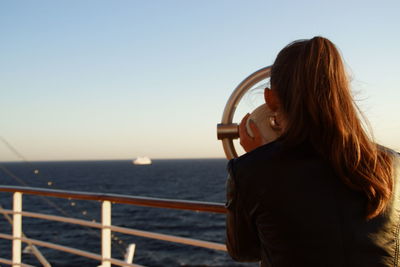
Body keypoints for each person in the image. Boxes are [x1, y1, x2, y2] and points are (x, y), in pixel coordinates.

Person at [225, 36, 400, 267]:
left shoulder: (250, 171)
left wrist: (258, 159)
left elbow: (243, 251)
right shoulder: (394, 165)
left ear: (271, 99)